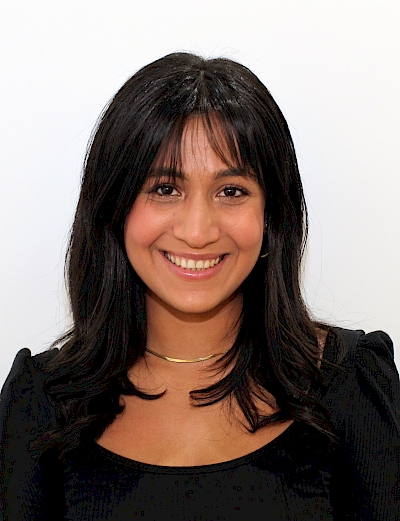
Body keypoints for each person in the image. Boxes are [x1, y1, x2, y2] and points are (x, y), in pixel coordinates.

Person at [1, 52, 399, 521]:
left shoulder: (351, 383)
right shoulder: (41, 403)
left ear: (271, 216)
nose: (197, 231)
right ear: (114, 208)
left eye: (231, 191)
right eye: (165, 189)